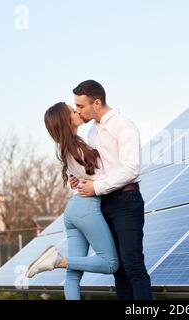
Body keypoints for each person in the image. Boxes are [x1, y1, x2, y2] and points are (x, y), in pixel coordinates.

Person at [25, 102, 119, 300]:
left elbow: (82, 177)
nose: (77, 111)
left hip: (74, 210)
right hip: (86, 208)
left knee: (73, 275)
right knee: (111, 263)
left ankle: (59, 262)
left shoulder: (68, 147)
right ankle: (57, 260)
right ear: (66, 120)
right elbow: (101, 177)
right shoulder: (76, 147)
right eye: (72, 110)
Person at [70, 80, 153, 300]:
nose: (77, 111)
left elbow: (131, 168)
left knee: (132, 263)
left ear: (96, 103)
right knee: (118, 269)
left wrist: (96, 187)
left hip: (126, 201)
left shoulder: (123, 126)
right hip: (104, 202)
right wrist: (79, 178)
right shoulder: (92, 134)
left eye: (81, 106)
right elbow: (98, 170)